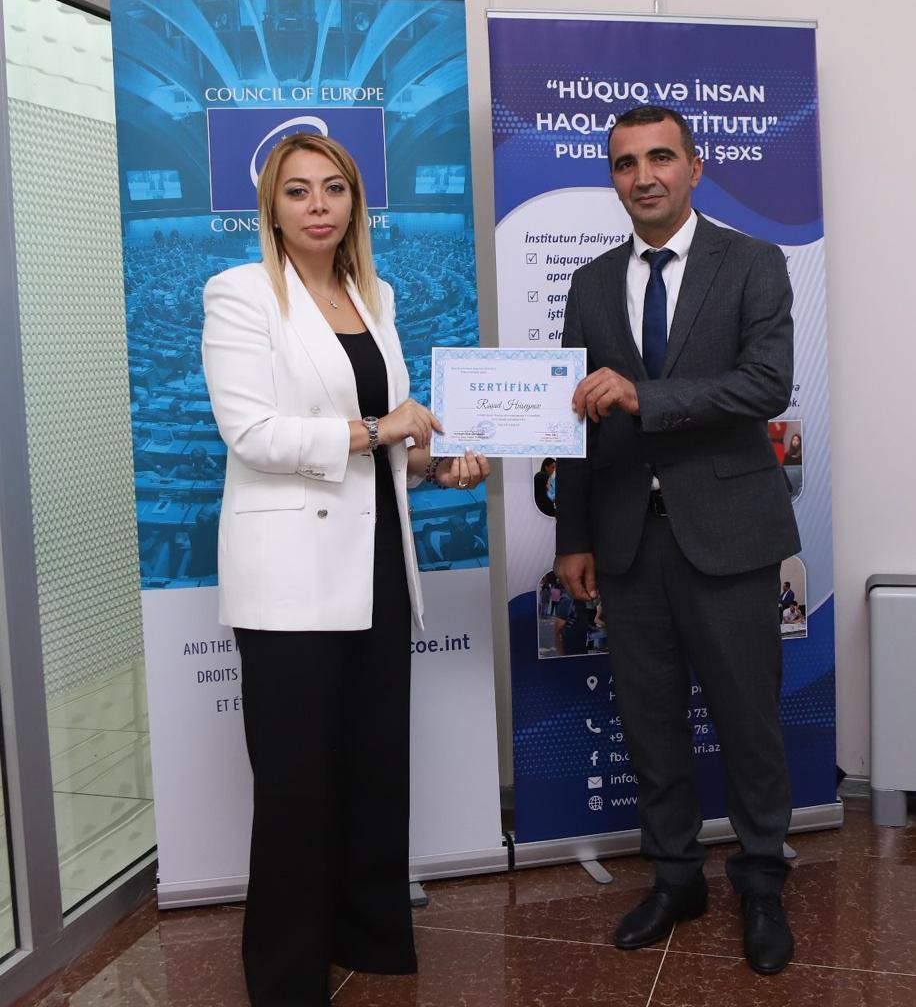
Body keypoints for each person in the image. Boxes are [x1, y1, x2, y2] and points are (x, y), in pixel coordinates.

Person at [202, 132, 489, 1007]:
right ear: (271, 207)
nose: (318, 205)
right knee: (296, 778)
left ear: (356, 201)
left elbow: (389, 441)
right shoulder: (240, 292)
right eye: (298, 191)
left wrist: (437, 465)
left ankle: (368, 933)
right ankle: (286, 973)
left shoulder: (375, 294)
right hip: (289, 571)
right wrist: (380, 431)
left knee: (373, 760)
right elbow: (251, 434)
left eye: (334, 188)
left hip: (376, 557)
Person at [554, 105, 800, 976]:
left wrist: (643, 397)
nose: (644, 176)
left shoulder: (754, 262)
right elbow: (574, 421)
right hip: (627, 542)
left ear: (696, 168)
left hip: (730, 535)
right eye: (626, 163)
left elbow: (766, 385)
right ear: (613, 179)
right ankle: (676, 877)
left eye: (661, 157)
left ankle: (762, 881)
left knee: (748, 722)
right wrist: (573, 536)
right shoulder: (590, 283)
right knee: (650, 722)